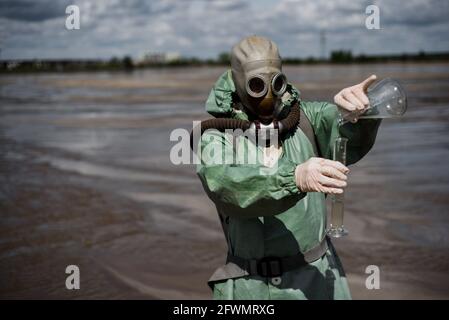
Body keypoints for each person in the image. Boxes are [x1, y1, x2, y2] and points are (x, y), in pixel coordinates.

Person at [195, 35, 381, 299]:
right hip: (254, 288)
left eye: (275, 82)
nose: (267, 95)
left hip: (317, 281)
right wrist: (295, 177)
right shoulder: (218, 138)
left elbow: (347, 135)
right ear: (237, 82)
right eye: (255, 85)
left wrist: (361, 112)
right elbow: (227, 183)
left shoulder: (306, 120)